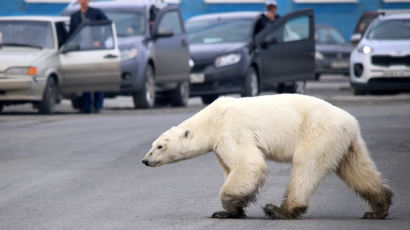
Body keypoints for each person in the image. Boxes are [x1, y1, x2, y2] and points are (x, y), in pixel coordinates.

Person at [69, 0, 108, 113]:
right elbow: (72, 34)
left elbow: (107, 25)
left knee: (98, 78)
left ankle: (98, 106)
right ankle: (86, 106)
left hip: (96, 50)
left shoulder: (96, 13)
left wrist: (100, 41)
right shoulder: (75, 16)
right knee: (85, 79)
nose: (83, 1)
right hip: (81, 51)